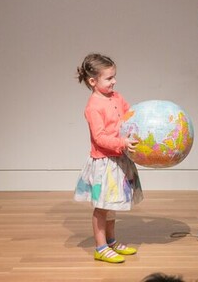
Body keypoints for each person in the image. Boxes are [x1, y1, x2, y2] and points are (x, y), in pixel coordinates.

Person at [74, 53, 143, 263]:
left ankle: (111, 241)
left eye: (114, 76)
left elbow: (129, 115)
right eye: (109, 78)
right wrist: (122, 143)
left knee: (111, 205)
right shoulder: (93, 106)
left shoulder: (116, 97)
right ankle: (100, 247)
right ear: (93, 81)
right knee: (102, 207)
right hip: (104, 163)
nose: (114, 81)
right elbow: (100, 137)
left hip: (119, 160)